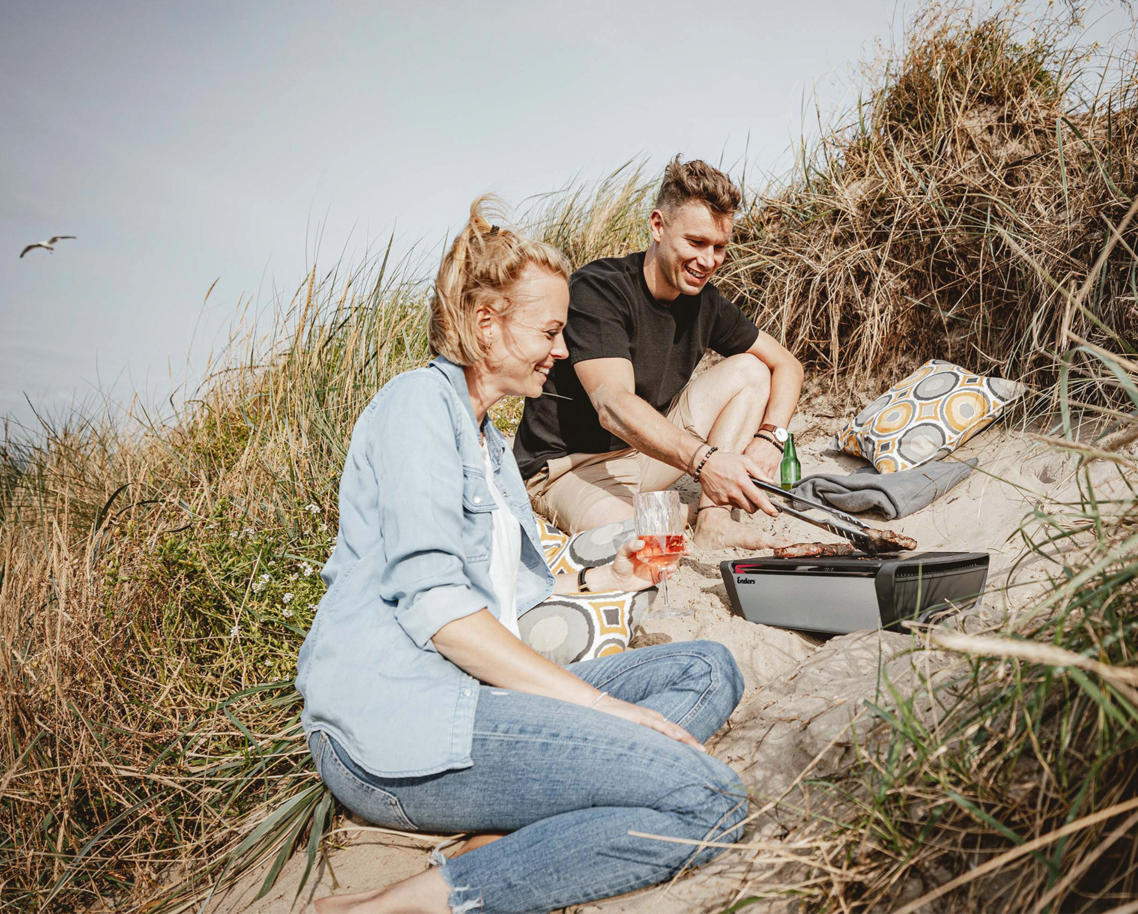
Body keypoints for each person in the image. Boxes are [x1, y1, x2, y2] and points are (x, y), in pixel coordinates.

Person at [297, 198, 748, 914]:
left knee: (706, 667)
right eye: (548, 331)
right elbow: (440, 612)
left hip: (482, 698)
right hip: (401, 725)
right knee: (710, 799)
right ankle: (421, 899)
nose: (561, 350)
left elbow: (521, 600)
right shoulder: (416, 406)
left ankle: (507, 820)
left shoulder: (490, 448)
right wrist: (603, 710)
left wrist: (609, 574)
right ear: (487, 327)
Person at [512, 157, 806, 552]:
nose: (708, 261)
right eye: (696, 242)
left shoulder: (707, 303)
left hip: (646, 452)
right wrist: (706, 463)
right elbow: (612, 406)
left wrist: (772, 438)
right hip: (569, 468)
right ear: (657, 226)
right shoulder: (599, 290)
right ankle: (692, 510)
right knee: (625, 535)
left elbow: (787, 364)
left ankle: (713, 521)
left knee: (752, 370)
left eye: (719, 247)